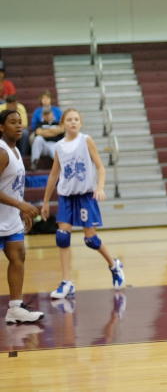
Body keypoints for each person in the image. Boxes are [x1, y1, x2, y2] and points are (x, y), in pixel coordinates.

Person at [41, 109, 125, 299]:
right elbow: (53, 175)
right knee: (62, 236)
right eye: (69, 119)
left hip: (85, 195)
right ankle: (66, 282)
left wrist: (100, 187)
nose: (73, 122)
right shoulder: (59, 146)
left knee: (90, 239)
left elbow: (101, 167)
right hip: (66, 196)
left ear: (81, 123)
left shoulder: (86, 140)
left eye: (76, 119)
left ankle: (114, 265)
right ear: (63, 124)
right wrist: (45, 201)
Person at [0, 110, 44, 323]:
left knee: (18, 257)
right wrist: (20, 204)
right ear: (1, 127)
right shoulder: (2, 152)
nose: (18, 126)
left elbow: (12, 186)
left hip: (10, 218)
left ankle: (15, 308)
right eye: (12, 122)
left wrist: (20, 209)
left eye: (20, 122)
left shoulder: (16, 150)